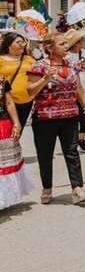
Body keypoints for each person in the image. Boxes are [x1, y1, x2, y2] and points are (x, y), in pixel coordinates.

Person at [27, 32, 85, 205]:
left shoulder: (71, 64)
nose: (66, 46)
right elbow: (30, 91)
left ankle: (77, 189)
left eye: (66, 43)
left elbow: (78, 88)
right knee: (45, 154)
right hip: (44, 118)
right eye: (62, 43)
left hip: (70, 115)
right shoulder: (39, 65)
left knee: (72, 152)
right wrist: (45, 78)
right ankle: (47, 188)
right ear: (50, 48)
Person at [0, 67, 35, 210]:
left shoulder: (2, 80)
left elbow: (8, 103)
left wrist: (16, 123)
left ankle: (4, 197)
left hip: (2, 124)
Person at [0, 32, 36, 133]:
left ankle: (13, 149)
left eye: (23, 42)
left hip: (26, 102)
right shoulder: (1, 59)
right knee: (5, 131)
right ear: (9, 44)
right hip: (6, 102)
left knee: (17, 131)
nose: (22, 45)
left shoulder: (29, 59)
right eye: (18, 42)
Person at [65, 30, 85, 152]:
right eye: (81, 40)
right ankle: (71, 139)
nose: (83, 41)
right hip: (70, 89)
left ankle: (81, 139)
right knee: (73, 115)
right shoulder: (66, 56)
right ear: (76, 43)